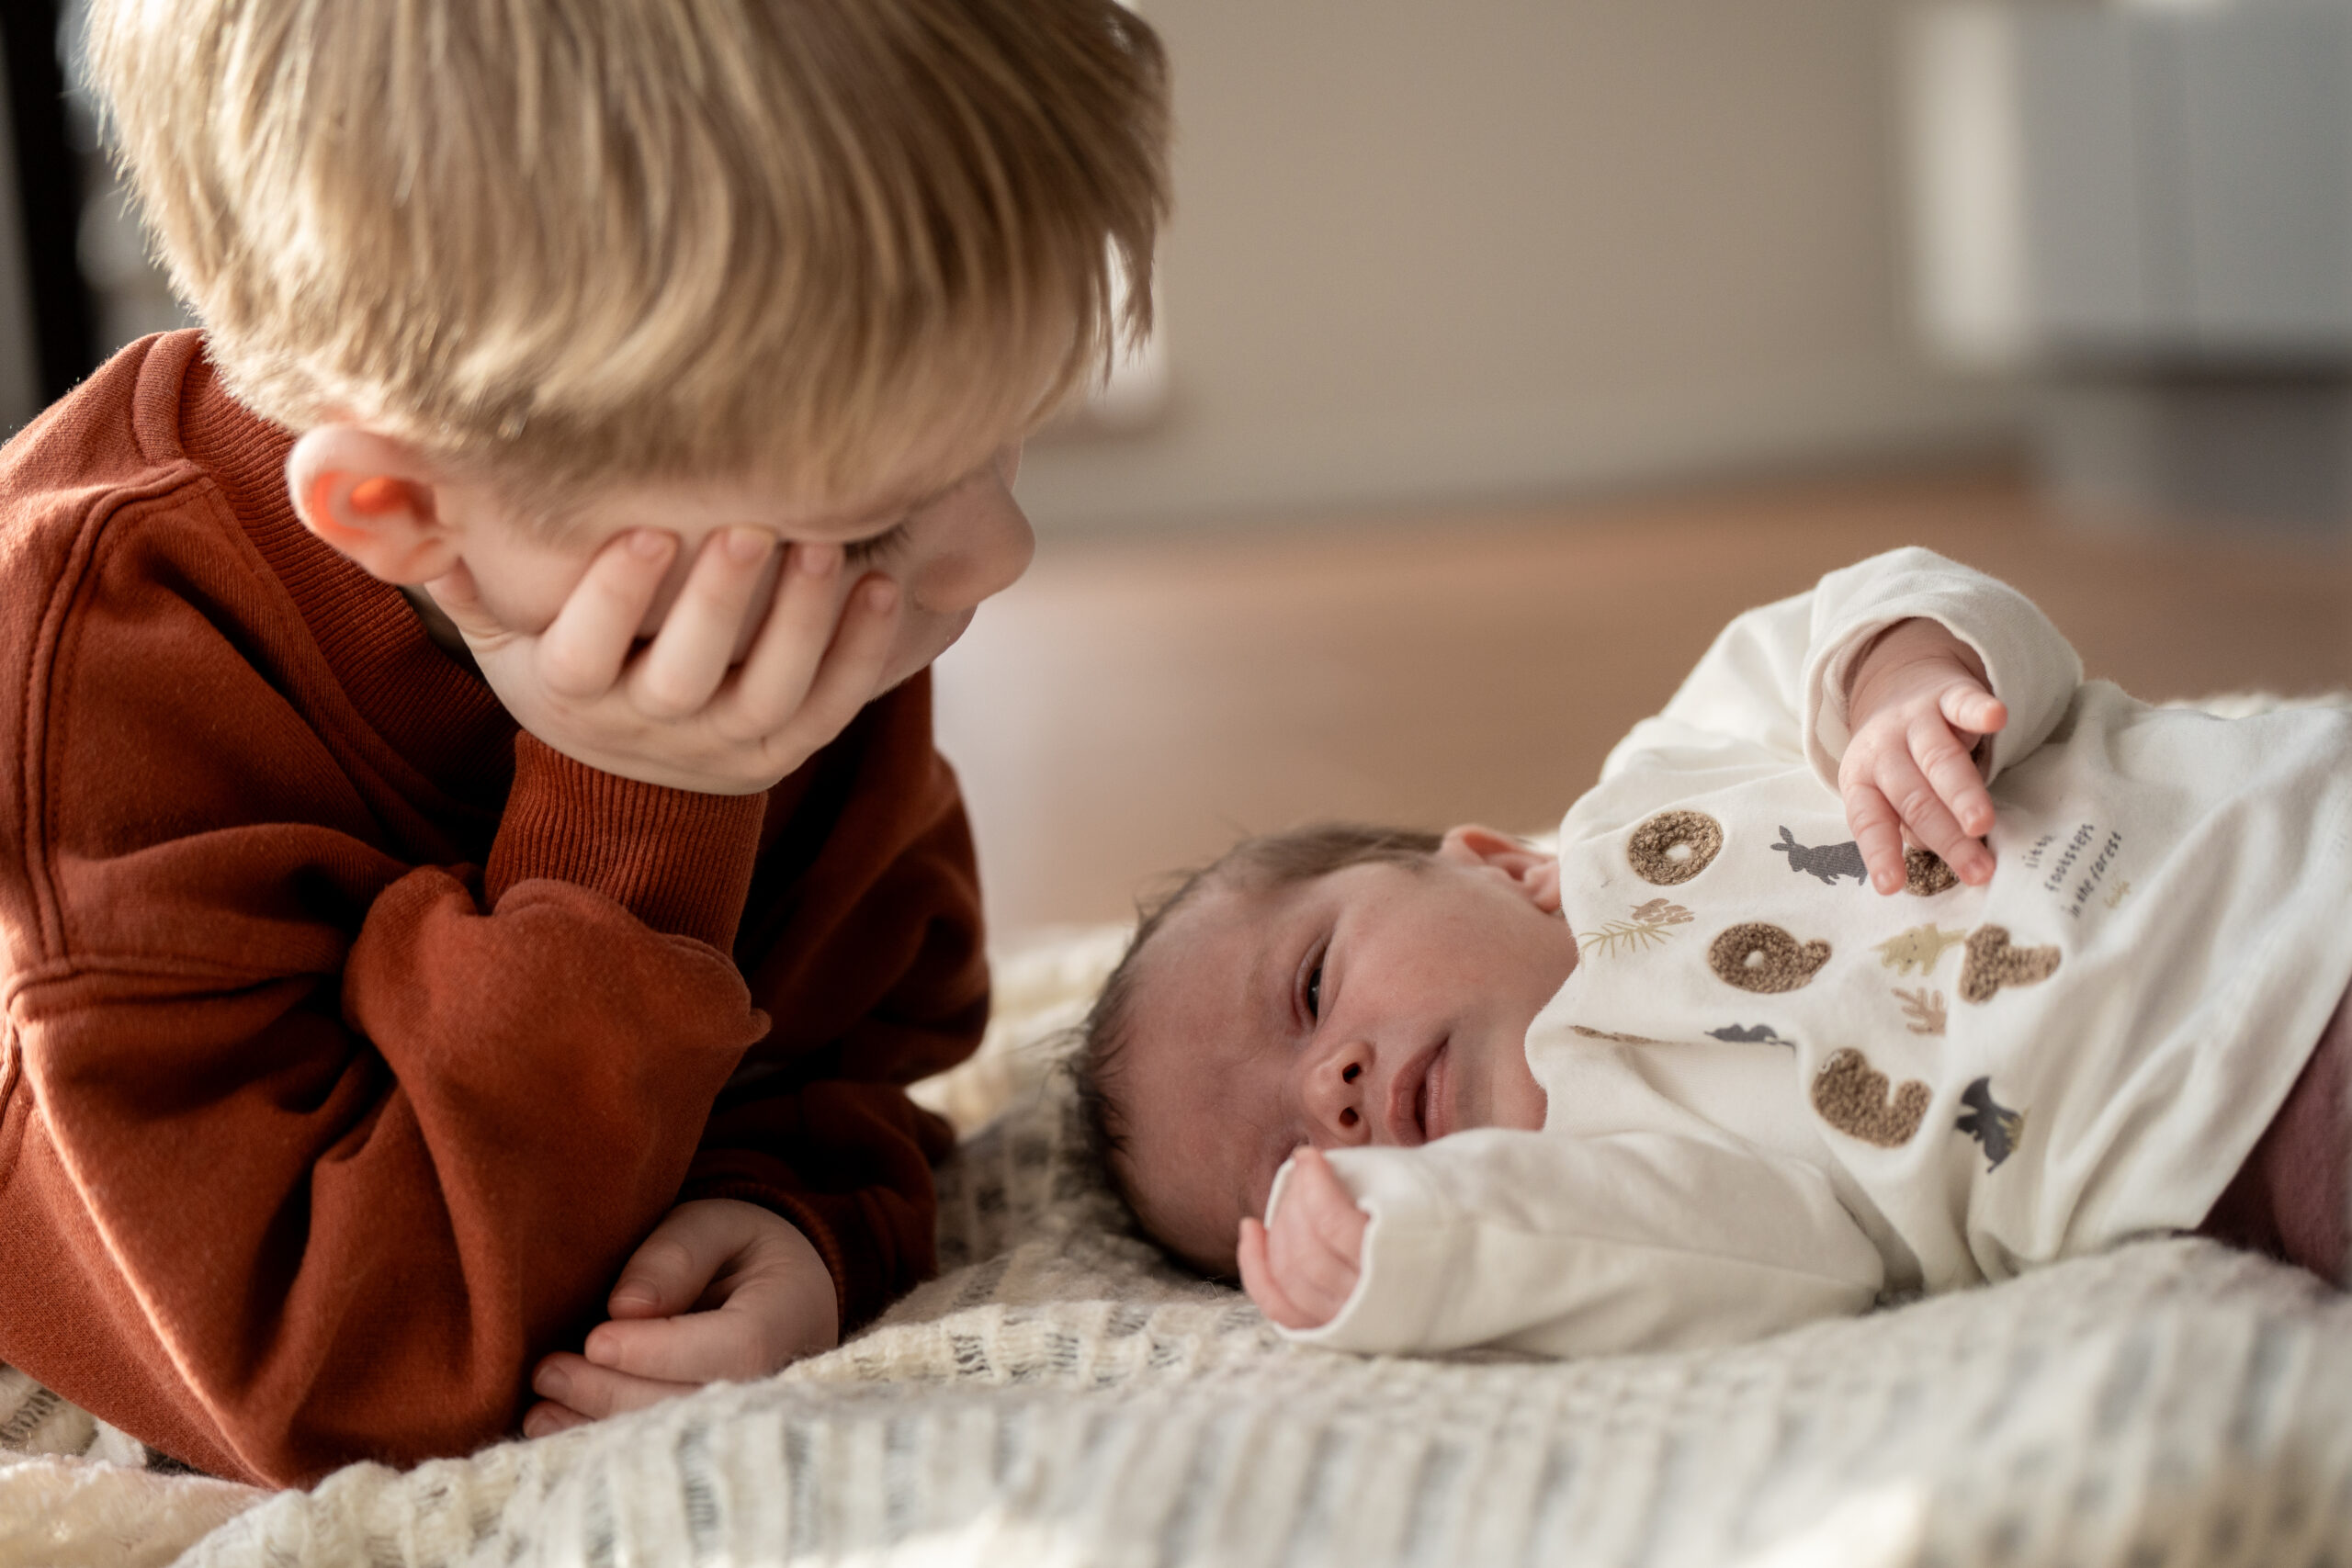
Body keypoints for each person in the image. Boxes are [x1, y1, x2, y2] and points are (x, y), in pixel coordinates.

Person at [0, 0, 1168, 1484]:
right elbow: (345, 1383)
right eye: (869, 518)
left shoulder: (752, 579)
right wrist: (638, 810)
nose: (995, 555)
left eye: (1000, 446)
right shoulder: (102, 670)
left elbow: (855, 1053)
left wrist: (798, 1218)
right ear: (405, 516)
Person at [1078, 548, 2352, 1358]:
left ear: (1486, 858)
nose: (1329, 1090)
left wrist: (1905, 682)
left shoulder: (1671, 765)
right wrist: (1404, 1246)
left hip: (2284, 814)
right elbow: (1769, 1267)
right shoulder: (1616, 1177)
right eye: (1293, 1161)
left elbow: (1866, 607)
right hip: (2249, 1105)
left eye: (1311, 991)